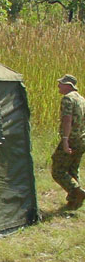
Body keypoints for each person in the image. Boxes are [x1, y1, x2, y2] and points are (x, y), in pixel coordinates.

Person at [51, 74, 85, 210]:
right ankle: (75, 201)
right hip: (82, 139)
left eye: (61, 83)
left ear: (68, 85)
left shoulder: (68, 99)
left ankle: (77, 191)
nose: (59, 85)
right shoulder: (81, 99)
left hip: (71, 139)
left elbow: (67, 119)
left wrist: (65, 140)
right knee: (72, 169)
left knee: (58, 170)